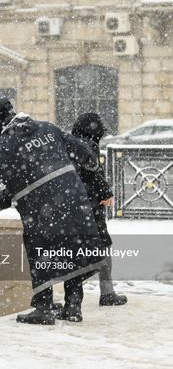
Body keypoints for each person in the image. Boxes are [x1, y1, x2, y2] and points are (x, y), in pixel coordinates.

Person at [0, 98, 107, 325]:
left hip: (42, 209)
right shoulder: (48, 128)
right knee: (72, 249)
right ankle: (73, 307)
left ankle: (44, 307)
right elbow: (83, 152)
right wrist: (92, 165)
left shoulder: (7, 145)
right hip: (75, 201)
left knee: (40, 251)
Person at [71, 112, 127, 306]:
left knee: (73, 247)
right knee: (103, 244)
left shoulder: (69, 144)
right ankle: (107, 292)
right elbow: (94, 173)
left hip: (72, 204)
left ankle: (67, 298)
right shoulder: (88, 146)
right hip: (90, 205)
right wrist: (105, 193)